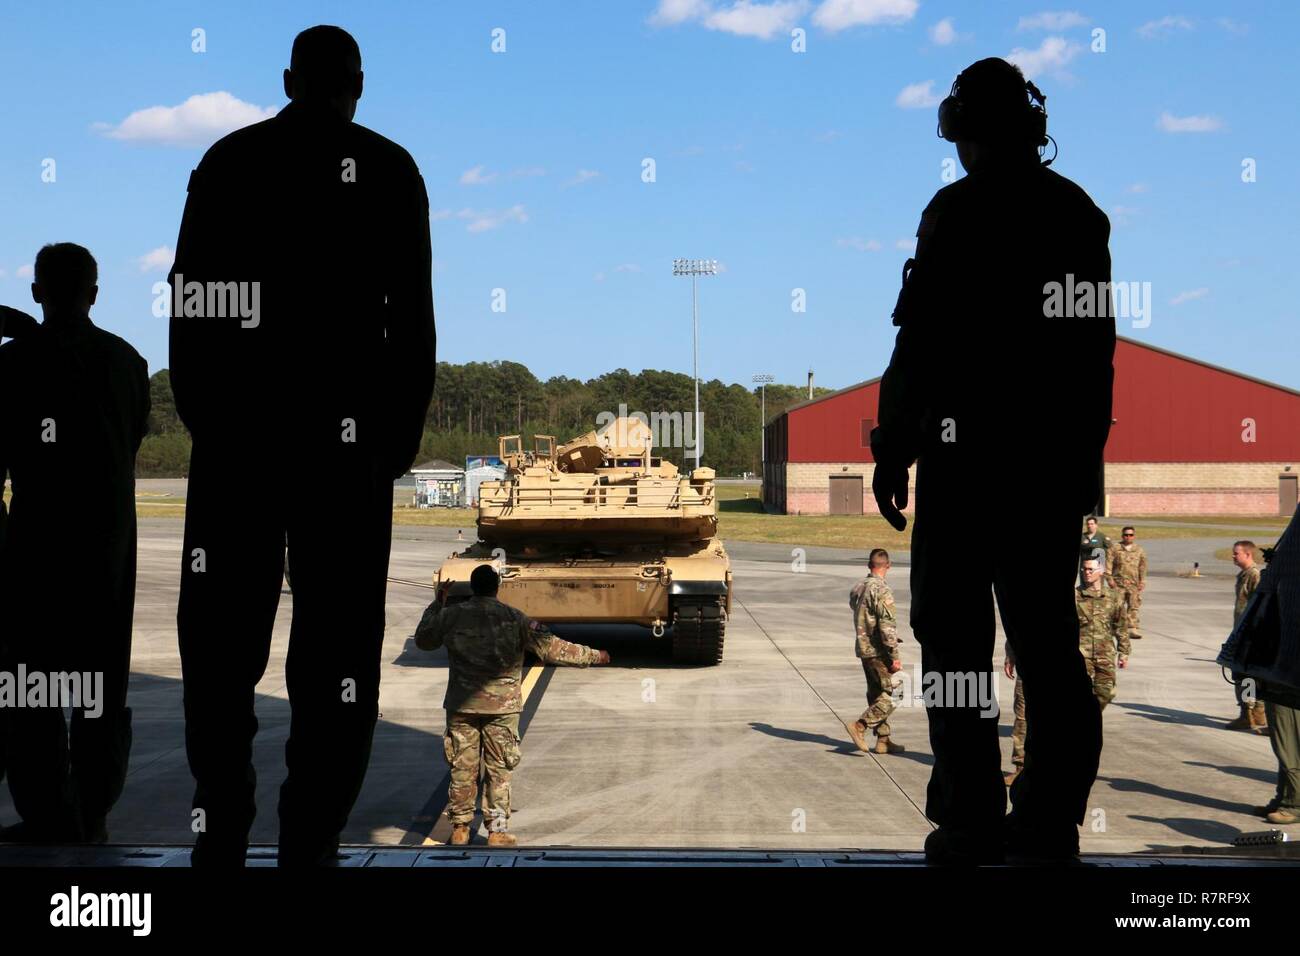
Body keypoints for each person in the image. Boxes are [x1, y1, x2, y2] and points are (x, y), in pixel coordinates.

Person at [168, 25, 437, 866]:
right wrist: (389, 441)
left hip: (241, 439)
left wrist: (210, 422)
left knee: (217, 646)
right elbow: (412, 324)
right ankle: (311, 832)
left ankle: (223, 820)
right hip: (343, 445)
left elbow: (194, 304)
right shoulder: (390, 170)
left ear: (288, 77)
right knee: (341, 648)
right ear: (359, 83)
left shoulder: (229, 161)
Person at [870, 57, 1114, 864]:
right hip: (1042, 472)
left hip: (963, 467)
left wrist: (893, 448)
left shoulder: (955, 212)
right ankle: (1049, 819)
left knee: (954, 644)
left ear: (965, 132)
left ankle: (971, 813)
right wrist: (1081, 472)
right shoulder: (1077, 215)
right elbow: (1093, 359)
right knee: (1047, 648)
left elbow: (919, 343)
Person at [0, 244, 150, 843]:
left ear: (37, 292)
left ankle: (45, 813)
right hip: (108, 542)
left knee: (31, 682)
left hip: (36, 539)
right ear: (95, 291)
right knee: (101, 682)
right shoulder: (127, 362)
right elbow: (131, 437)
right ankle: (93, 810)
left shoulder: (12, 365)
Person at [414, 565, 610, 846]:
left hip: (462, 706)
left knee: (462, 768)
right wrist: (594, 656)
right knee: (499, 770)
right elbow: (552, 647)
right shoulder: (514, 618)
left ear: (473, 587)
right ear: (496, 588)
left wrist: (437, 604)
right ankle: (497, 831)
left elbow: (424, 639)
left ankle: (460, 829)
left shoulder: (452, 616)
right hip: (502, 709)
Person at [844, 548, 905, 755]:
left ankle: (883, 739)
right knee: (896, 692)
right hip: (878, 651)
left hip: (863, 648)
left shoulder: (859, 587)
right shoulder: (882, 590)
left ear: (869, 566)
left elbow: (858, 610)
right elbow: (887, 626)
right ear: (888, 566)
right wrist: (894, 657)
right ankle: (860, 726)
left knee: (876, 693)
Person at [1225, 541, 1267, 733]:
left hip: (1249, 636)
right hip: (1243, 633)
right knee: (1248, 675)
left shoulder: (1254, 576)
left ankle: (1247, 714)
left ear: (1248, 554)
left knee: (1244, 676)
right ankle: (1256, 712)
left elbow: (1258, 607)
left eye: (1236, 554)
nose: (1233, 556)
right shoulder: (1244, 575)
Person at [1076, 555, 1129, 710]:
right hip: (1081, 654)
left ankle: (1089, 718)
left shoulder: (1113, 597)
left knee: (1105, 692)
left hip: (1105, 654)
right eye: (1084, 569)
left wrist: (1124, 652)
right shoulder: (1075, 596)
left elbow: (1121, 626)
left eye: (1090, 569)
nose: (1086, 572)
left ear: (1101, 571)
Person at [1106, 526, 1147, 643]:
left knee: (1134, 606)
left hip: (1134, 583)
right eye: (1126, 535)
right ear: (1122, 536)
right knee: (1117, 606)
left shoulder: (1139, 550)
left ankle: (1132, 628)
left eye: (1130, 535)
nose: (1128, 537)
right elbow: (1108, 564)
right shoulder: (1115, 548)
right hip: (1118, 583)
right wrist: (1109, 579)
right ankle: (1116, 628)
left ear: (1134, 536)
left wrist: (1142, 581)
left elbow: (1143, 567)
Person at [1001, 642, 1025, 787]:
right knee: (1022, 719)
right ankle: (1021, 769)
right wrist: (1010, 655)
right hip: (1026, 667)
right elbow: (1014, 624)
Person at [1080, 515, 1110, 584]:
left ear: (1096, 525)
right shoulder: (1082, 536)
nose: (1089, 526)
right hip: (1085, 566)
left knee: (1098, 585)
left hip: (1098, 566)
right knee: (1084, 585)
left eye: (1092, 524)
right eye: (1088, 524)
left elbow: (1110, 550)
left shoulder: (1102, 537)